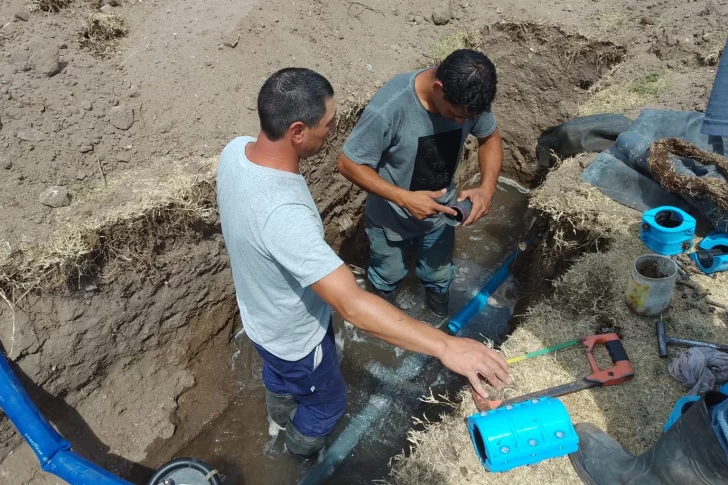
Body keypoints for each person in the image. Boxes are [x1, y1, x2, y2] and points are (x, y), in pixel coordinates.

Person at [216, 67, 510, 458]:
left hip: (261, 319)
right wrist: (445, 346)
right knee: (326, 405)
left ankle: (280, 412)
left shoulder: (235, 151)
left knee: (282, 378)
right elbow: (350, 304)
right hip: (298, 339)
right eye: (329, 122)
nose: (335, 130)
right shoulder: (283, 214)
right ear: (298, 131)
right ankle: (296, 454)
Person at [337, 49, 503, 317]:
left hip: (442, 214)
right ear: (439, 88)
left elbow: (490, 138)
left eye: (468, 118)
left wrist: (488, 188)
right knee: (387, 275)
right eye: (455, 114)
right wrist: (403, 198)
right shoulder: (391, 107)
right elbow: (347, 163)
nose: (463, 123)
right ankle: (386, 330)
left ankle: (438, 321)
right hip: (389, 219)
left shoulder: (468, 99)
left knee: (438, 275)